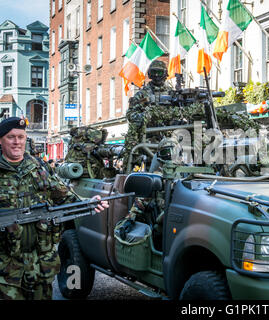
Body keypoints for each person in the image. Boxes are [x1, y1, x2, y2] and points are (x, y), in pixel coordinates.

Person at [0, 117, 109, 300]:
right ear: (1, 139)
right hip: (6, 264)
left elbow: (63, 195)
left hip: (40, 262)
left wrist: (87, 203)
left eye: (21, 136)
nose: (17, 142)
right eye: (11, 137)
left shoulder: (39, 167)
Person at [123, 60, 170, 172]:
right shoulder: (142, 94)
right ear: (149, 74)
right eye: (154, 73)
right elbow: (130, 115)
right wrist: (145, 116)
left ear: (165, 74)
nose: (157, 76)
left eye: (159, 73)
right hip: (149, 139)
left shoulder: (171, 94)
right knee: (153, 170)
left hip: (169, 137)